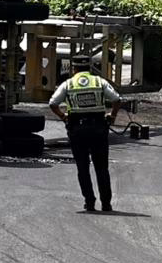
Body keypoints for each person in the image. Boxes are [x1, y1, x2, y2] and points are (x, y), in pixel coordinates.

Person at [49, 55, 122, 212]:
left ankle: (89, 202)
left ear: (73, 69)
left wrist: (63, 117)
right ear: (89, 68)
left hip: (77, 129)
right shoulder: (99, 82)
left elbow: (53, 103)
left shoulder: (68, 84)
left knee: (82, 167)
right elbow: (117, 99)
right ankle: (106, 203)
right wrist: (112, 116)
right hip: (98, 128)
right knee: (101, 167)